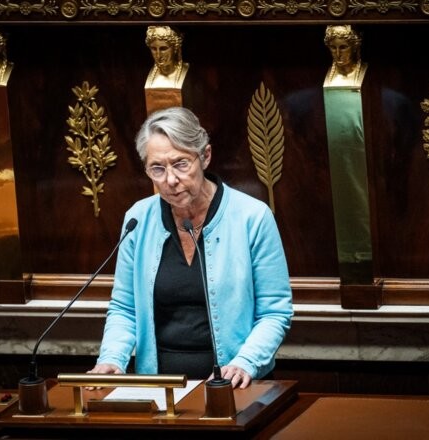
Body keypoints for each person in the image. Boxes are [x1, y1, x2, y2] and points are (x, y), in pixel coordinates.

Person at [89, 107, 293, 389]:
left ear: (205, 156)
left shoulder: (252, 217)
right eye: (157, 168)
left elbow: (274, 312)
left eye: (181, 164)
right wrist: (112, 359)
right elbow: (125, 308)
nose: (170, 180)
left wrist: (245, 362)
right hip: (160, 386)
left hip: (234, 385)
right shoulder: (138, 218)